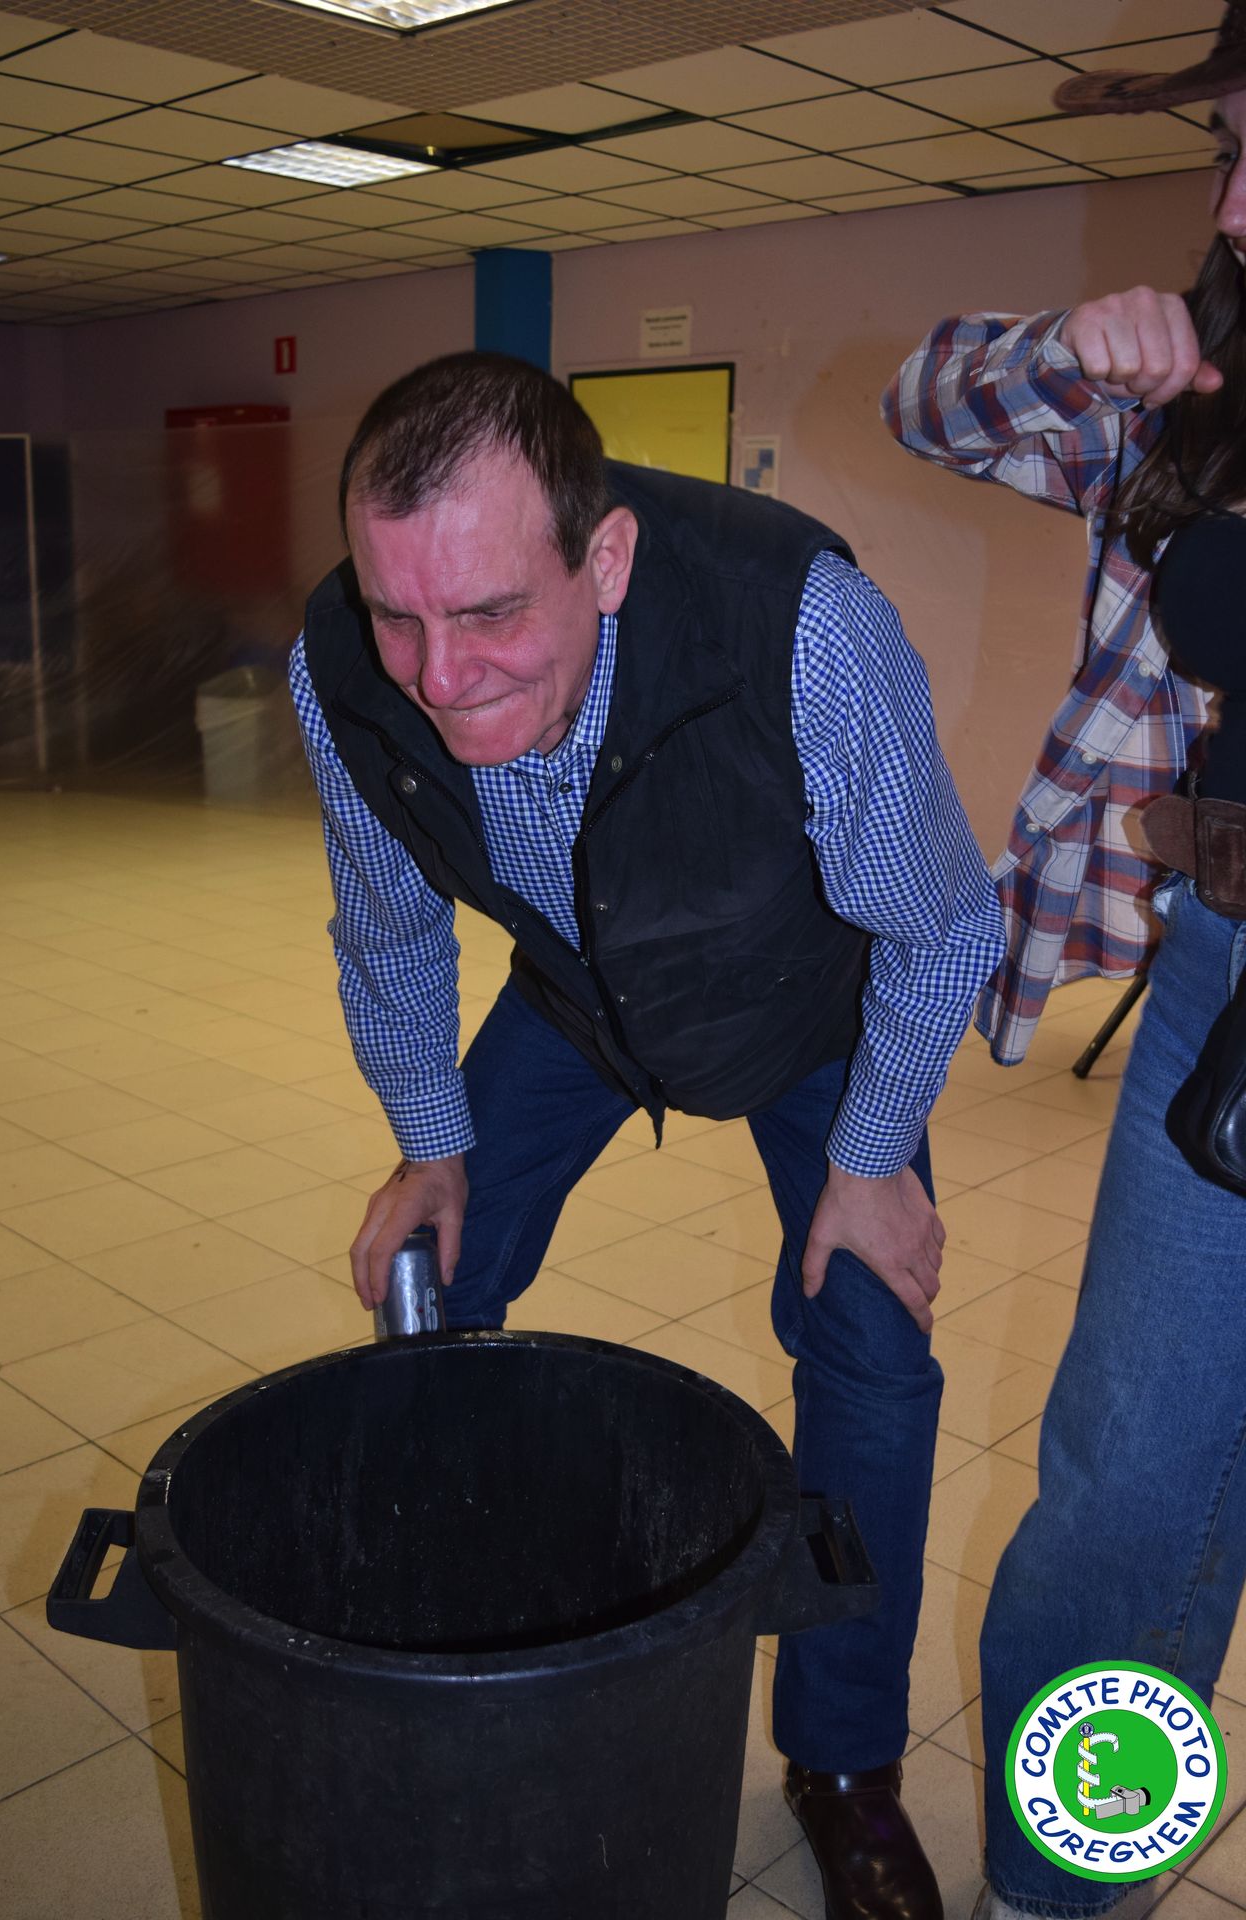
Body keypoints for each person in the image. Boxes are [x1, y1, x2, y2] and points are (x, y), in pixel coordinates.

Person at [290, 350, 1004, 1920]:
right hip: (578, 996)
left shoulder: (798, 625)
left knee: (871, 1347)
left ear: (603, 557)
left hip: (811, 1002)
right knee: (431, 1284)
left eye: (489, 614)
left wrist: (871, 1162)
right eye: (398, 615)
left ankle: (844, 1768)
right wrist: (432, 1142)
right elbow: (389, 929)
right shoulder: (336, 667)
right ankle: (447, 1656)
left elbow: (941, 924)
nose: (437, 674)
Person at [883, 8, 1246, 1917]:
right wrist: (1066, 347)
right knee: (1127, 1486)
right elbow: (922, 400)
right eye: (1234, 152)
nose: (1236, 207)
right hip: (1226, 979)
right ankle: (1062, 1891)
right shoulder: (1203, 397)